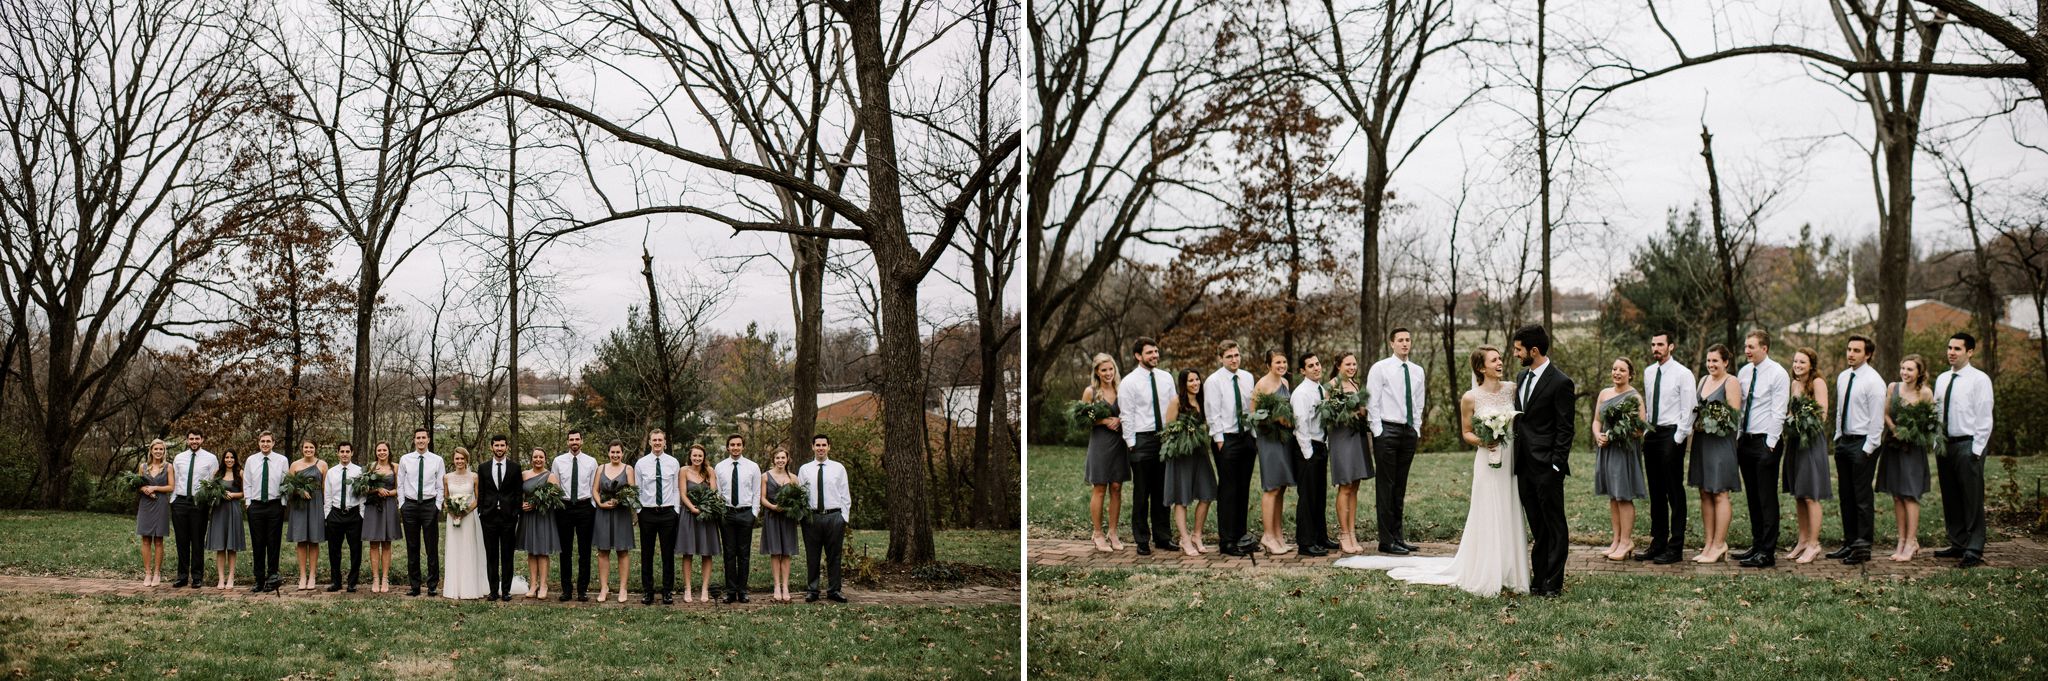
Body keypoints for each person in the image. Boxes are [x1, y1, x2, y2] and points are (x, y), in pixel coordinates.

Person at [1336, 346, 1530, 596]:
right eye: (1494, 360)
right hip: (1487, 461)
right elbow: (1466, 432)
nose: (1500, 362)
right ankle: (1486, 568)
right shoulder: (1470, 397)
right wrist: (1484, 441)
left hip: (1510, 460)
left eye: (1500, 358)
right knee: (1488, 509)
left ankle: (1511, 569)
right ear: (1481, 368)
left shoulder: (1512, 389)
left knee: (1509, 507)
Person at [1512, 325, 1575, 596]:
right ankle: (1538, 580)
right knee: (1537, 525)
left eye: (1519, 349)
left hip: (1548, 466)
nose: (1516, 354)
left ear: (1534, 350)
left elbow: (1565, 428)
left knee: (1554, 524)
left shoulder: (1561, 382)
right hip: (1523, 465)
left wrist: (1556, 464)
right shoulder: (1521, 377)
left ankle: (1553, 582)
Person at [1932, 332, 1994, 569]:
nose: (1951, 352)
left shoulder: (1980, 380)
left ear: (1970, 352)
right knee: (1951, 496)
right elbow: (1937, 411)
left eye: (1957, 349)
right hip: (1945, 445)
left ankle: (1974, 548)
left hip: (1968, 444)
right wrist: (1936, 441)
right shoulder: (1942, 379)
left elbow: (1984, 416)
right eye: (1949, 347)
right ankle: (1958, 542)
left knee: (1971, 498)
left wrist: (1976, 449)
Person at [1635, 332, 1696, 564]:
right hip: (1653, 433)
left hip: (1672, 434)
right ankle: (1658, 542)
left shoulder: (1683, 373)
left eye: (1660, 344)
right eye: (1653, 344)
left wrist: (1679, 437)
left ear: (1671, 346)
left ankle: (1676, 546)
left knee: (1673, 490)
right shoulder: (1649, 372)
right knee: (1656, 491)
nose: (1656, 348)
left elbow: (1690, 407)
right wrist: (1647, 431)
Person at [1733, 330, 1790, 568]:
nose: (1747, 350)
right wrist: (1738, 437)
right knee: (1753, 497)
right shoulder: (1744, 372)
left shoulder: (1778, 373)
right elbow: (1741, 407)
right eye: (1746, 346)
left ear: (1764, 348)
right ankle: (1756, 545)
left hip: (1766, 441)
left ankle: (1767, 552)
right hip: (1746, 441)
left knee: (1766, 497)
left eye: (1751, 347)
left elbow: (1779, 411)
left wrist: (1770, 443)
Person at [1828, 336, 1887, 565]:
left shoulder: (1874, 381)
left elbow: (1877, 420)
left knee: (1862, 497)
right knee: (1846, 495)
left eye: (1856, 350)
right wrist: (1838, 436)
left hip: (1863, 444)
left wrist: (1868, 448)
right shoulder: (1844, 377)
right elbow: (1840, 410)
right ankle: (1850, 542)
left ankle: (1863, 547)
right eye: (1849, 349)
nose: (1850, 354)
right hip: (1844, 441)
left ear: (1868, 354)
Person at [1367, 328, 1426, 555]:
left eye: (1407, 340)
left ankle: (1398, 537)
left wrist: (1416, 428)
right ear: (1392, 343)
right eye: (1400, 340)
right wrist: (1378, 431)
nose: (1404, 343)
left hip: (1408, 431)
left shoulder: (1417, 370)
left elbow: (1419, 402)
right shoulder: (1380, 368)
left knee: (1400, 486)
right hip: (1387, 430)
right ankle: (1386, 540)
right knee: (1386, 486)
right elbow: (1372, 401)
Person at [1118, 337, 1175, 556]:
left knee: (1162, 491)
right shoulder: (1129, 382)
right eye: (1150, 352)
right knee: (1142, 493)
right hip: (1141, 440)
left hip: (1164, 438)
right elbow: (1127, 414)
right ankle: (1142, 539)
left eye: (1156, 351)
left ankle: (1163, 537)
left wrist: (1172, 435)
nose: (1154, 355)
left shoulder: (1166, 378)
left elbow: (1173, 407)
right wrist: (1131, 443)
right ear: (1138, 356)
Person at [1202, 340, 1258, 556]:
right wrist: (1220, 441)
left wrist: (1253, 435)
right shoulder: (1213, 381)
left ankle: (1241, 536)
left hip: (1246, 438)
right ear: (1220, 358)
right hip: (1226, 439)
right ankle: (1227, 541)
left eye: (1236, 355)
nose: (1234, 360)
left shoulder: (1248, 377)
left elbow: (1251, 407)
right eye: (1229, 357)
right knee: (1228, 489)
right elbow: (1212, 413)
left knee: (1243, 488)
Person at [1689, 344, 1744, 563]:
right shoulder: (1703, 380)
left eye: (1715, 361)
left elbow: (1734, 417)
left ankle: (1720, 544)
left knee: (1719, 492)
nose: (1711, 365)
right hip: (1702, 442)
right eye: (1708, 360)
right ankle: (1709, 544)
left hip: (1721, 443)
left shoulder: (1731, 382)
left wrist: (1713, 420)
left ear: (1726, 362)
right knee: (1704, 491)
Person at [1878, 354, 1934, 562]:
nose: (1905, 372)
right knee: (1897, 495)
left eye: (1910, 369)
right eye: (1903, 368)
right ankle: (1901, 540)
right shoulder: (1893, 387)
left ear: (1919, 372)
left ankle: (1911, 542)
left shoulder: (1925, 393)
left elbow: (1931, 422)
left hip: (1913, 449)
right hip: (1893, 445)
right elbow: (1885, 413)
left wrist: (1913, 431)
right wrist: (1895, 429)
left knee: (1910, 494)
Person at [1592, 358, 1648, 561]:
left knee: (1623, 496)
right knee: (1613, 496)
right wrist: (1598, 435)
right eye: (1614, 369)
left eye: (1622, 370)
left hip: (1624, 451)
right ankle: (1616, 540)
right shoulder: (1604, 393)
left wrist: (1615, 435)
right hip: (1606, 450)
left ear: (1630, 374)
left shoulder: (1635, 397)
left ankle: (1626, 541)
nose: (1617, 372)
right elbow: (1597, 421)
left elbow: (1640, 429)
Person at [1781, 348, 1834, 565]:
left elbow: (1822, 415)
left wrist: (1803, 422)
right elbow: (1791, 412)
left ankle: (1814, 543)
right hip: (1795, 442)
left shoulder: (1818, 383)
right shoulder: (1794, 384)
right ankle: (1802, 541)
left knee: (1811, 493)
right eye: (1795, 361)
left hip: (1811, 441)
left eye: (1802, 362)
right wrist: (1789, 422)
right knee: (1799, 493)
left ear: (1811, 364)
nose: (1797, 365)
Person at [1162, 368, 1217, 557]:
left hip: (1200, 453)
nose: (1195, 383)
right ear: (1183, 384)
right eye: (1191, 380)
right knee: (1182, 497)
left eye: (1197, 379)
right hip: (1181, 455)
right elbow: (1168, 430)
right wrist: (1184, 434)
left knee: (1207, 493)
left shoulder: (1202, 400)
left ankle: (1197, 535)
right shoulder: (1177, 402)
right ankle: (1184, 538)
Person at [1324, 352, 1373, 554]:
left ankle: (1352, 533)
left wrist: (1362, 411)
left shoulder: (1354, 384)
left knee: (1355, 485)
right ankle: (1343, 534)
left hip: (1357, 436)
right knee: (1345, 485)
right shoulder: (1332, 386)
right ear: (1338, 365)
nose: (1352, 367)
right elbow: (1328, 416)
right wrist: (1347, 413)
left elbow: (1361, 410)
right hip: (1342, 438)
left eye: (1354, 364)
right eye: (1348, 364)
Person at [1252, 349, 1297, 555]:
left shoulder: (1285, 382)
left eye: (1284, 362)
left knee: (1281, 486)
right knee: (1271, 487)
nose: (1282, 365)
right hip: (1269, 439)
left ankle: (1278, 535)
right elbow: (1254, 415)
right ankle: (1267, 536)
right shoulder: (1262, 385)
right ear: (1268, 365)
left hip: (1285, 439)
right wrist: (1275, 419)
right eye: (1277, 362)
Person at [1081, 353, 1127, 553]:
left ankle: (1113, 532)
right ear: (1097, 372)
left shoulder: (1121, 389)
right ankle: (1098, 533)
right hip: (1100, 443)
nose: (1108, 373)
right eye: (1104, 370)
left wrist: (1120, 419)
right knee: (1100, 487)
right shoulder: (1091, 392)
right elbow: (1082, 419)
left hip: (1119, 443)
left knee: (1116, 487)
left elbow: (1131, 412)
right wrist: (1104, 420)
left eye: (1111, 369)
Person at [798, 434, 851, 602]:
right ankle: (812, 590)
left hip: (834, 516)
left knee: (834, 556)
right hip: (811, 517)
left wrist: (843, 517)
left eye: (823, 445)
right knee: (812, 555)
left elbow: (845, 493)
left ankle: (834, 590)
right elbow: (801, 494)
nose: (820, 448)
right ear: (812, 447)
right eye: (818, 445)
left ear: (829, 447)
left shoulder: (838, 468)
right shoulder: (805, 469)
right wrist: (802, 516)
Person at [1289, 352, 1332, 557]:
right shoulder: (1301, 393)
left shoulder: (1321, 389)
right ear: (1302, 371)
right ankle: (1306, 543)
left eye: (1317, 364)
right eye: (1311, 366)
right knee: (1307, 496)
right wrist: (1308, 454)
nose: (1316, 368)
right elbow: (1301, 424)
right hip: (1306, 448)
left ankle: (1320, 537)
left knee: (1319, 495)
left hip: (1320, 444)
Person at [397, 428, 446, 597]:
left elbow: (440, 485)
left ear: (428, 439)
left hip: (429, 506)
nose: (420, 440)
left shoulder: (437, 460)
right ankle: (415, 586)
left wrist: (437, 506)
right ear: (414, 440)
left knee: (431, 547)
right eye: (418, 438)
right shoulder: (405, 459)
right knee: (412, 547)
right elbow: (400, 484)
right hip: (410, 506)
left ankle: (432, 585)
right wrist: (402, 504)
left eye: (423, 437)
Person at [551, 430, 599, 601]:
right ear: (567, 442)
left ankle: (582, 590)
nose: (574, 442)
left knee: (584, 551)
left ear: (582, 441)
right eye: (571, 439)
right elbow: (555, 486)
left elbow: (594, 486)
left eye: (577, 439)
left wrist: (592, 507)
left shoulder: (591, 462)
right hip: (564, 508)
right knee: (565, 551)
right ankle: (566, 590)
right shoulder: (558, 461)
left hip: (585, 507)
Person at [635, 431, 682, 605]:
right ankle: (648, 591)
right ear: (649, 442)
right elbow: (637, 489)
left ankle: (667, 591)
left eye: (659, 440)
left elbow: (676, 489)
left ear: (664, 442)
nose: (657, 443)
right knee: (646, 554)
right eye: (654, 440)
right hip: (647, 513)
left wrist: (676, 510)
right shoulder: (641, 464)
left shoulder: (673, 462)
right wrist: (639, 510)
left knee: (667, 554)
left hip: (668, 513)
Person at [475, 435, 522, 602]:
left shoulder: (515, 468)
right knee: (492, 555)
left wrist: (515, 512)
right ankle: (493, 591)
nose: (499, 448)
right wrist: (481, 511)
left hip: (509, 518)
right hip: (489, 517)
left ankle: (506, 590)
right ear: (491, 447)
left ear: (507, 447)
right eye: (497, 445)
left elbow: (518, 492)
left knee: (507, 555)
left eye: (502, 445)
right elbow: (481, 492)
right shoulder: (483, 468)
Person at [714, 434, 760, 603]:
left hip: (746, 513)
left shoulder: (753, 467)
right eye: (732, 444)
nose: (735, 447)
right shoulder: (720, 467)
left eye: (738, 444)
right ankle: (731, 591)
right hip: (727, 513)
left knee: (744, 554)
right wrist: (721, 512)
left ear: (743, 447)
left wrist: (754, 513)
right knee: (729, 553)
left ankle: (742, 591)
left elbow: (756, 491)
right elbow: (718, 492)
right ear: (728, 447)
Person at [168, 430, 215, 589]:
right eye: (191, 439)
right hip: (180, 502)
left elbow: (212, 482)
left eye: (197, 438)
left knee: (197, 540)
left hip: (199, 503)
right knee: (181, 541)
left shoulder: (211, 458)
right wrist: (173, 500)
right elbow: (175, 480)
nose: (194, 441)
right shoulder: (179, 458)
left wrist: (208, 502)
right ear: (187, 440)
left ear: (202, 439)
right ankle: (182, 576)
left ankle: (197, 576)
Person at [242, 432, 289, 592]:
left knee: (273, 543)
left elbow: (285, 482)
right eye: (262, 441)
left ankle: (272, 578)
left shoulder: (282, 460)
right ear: (259, 442)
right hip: (256, 506)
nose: (265, 444)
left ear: (273, 443)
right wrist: (248, 503)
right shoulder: (251, 460)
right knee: (258, 543)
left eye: (268, 441)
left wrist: (283, 504)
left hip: (275, 505)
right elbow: (247, 483)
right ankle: (259, 579)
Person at [441, 447, 487, 600]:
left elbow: (478, 499)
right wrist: (451, 511)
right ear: (453, 460)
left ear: (467, 460)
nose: (459, 461)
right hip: (453, 518)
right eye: (457, 458)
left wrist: (465, 511)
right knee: (454, 549)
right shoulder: (447, 477)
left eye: (462, 458)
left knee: (468, 548)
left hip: (468, 518)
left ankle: (469, 588)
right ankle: (454, 587)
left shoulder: (474, 476)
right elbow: (445, 499)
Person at [593, 441, 635, 603]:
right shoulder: (601, 468)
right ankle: (604, 588)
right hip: (603, 513)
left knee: (622, 551)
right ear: (608, 453)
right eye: (612, 452)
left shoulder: (628, 469)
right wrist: (600, 503)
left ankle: (623, 588)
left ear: (622, 453)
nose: (615, 455)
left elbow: (632, 492)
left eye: (618, 452)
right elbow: (594, 490)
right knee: (603, 551)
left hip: (621, 514)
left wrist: (621, 500)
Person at [678, 443, 721, 603]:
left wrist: (705, 508)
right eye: (694, 455)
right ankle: (688, 589)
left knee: (706, 552)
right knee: (687, 553)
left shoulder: (709, 471)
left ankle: (704, 588)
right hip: (689, 514)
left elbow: (713, 493)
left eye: (700, 456)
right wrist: (693, 508)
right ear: (690, 456)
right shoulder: (683, 471)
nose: (697, 458)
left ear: (704, 457)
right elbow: (683, 493)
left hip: (706, 515)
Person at [758, 448, 801, 602]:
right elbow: (762, 498)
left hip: (788, 518)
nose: (780, 460)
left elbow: (798, 498)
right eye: (777, 458)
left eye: (783, 458)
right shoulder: (765, 476)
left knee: (786, 552)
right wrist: (773, 507)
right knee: (775, 552)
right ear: (773, 459)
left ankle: (785, 586)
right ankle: (776, 586)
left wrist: (791, 507)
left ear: (787, 459)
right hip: (772, 516)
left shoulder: (793, 478)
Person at [286, 439, 328, 591]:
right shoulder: (295, 465)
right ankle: (302, 576)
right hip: (300, 506)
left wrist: (325, 507)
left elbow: (325, 488)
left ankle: (312, 576)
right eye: (306, 447)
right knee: (301, 541)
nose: (308, 450)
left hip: (316, 504)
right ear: (302, 449)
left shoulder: (322, 465)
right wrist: (299, 491)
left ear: (315, 449)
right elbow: (288, 486)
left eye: (311, 447)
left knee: (314, 540)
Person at [520, 447, 561, 599]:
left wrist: (536, 504)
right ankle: (533, 584)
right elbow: (517, 494)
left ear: (545, 459)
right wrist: (521, 504)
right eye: (535, 457)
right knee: (531, 551)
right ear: (531, 458)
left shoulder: (550, 476)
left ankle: (543, 585)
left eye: (541, 457)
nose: (538, 459)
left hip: (543, 516)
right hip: (528, 517)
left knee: (542, 551)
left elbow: (555, 498)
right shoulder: (524, 475)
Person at [323, 443, 364, 592]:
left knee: (356, 550)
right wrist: (327, 515)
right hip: (335, 514)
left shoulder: (359, 471)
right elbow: (327, 494)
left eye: (347, 451)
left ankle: (352, 582)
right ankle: (336, 582)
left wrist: (361, 514)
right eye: (342, 451)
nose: (344, 454)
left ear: (352, 453)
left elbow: (363, 494)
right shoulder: (331, 472)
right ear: (338, 453)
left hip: (354, 514)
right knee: (334, 550)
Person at [362, 442, 401, 593]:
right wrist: (377, 489)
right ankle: (375, 579)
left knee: (386, 543)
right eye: (379, 450)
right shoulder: (370, 467)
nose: (382, 452)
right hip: (373, 506)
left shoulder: (395, 467)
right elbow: (364, 488)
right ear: (375, 452)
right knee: (373, 543)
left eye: (384, 450)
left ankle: (385, 578)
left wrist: (388, 492)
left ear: (389, 451)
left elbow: (400, 488)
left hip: (389, 505)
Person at [134, 439, 173, 587]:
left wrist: (155, 488)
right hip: (145, 505)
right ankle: (148, 573)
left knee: (158, 540)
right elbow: (138, 485)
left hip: (161, 504)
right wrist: (143, 489)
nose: (158, 451)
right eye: (156, 449)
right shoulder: (143, 467)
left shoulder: (168, 467)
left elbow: (171, 487)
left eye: (161, 449)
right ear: (151, 450)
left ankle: (157, 573)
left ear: (164, 451)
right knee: (145, 539)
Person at [205, 449, 245, 590]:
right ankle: (221, 578)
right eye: (227, 457)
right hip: (219, 510)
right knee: (220, 546)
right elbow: (210, 490)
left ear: (235, 459)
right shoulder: (217, 473)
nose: (229, 460)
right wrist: (218, 494)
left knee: (231, 546)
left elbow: (244, 493)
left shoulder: (240, 473)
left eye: (232, 457)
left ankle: (231, 577)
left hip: (233, 510)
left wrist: (233, 495)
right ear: (223, 459)